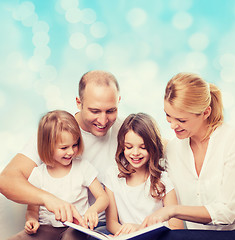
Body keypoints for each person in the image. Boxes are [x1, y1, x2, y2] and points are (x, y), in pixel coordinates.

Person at [141, 72, 235, 240]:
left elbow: (227, 212)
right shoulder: (173, 148)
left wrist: (172, 210)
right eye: (168, 115)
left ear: (205, 112)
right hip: (195, 235)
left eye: (181, 120)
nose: (173, 125)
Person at [0, 70, 122, 228]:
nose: (103, 120)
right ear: (79, 103)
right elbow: (6, 180)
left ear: (118, 101)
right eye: (95, 111)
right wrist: (48, 199)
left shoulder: (126, 130)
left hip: (97, 228)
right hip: (54, 226)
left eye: (111, 110)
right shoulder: (56, 131)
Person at [9, 110, 109, 240]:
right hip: (46, 228)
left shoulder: (83, 167)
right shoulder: (38, 174)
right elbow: (32, 210)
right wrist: (31, 220)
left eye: (75, 145)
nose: (71, 152)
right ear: (47, 147)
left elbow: (103, 197)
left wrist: (93, 210)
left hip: (77, 228)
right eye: (64, 148)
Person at [104, 113, 184, 237]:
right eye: (129, 147)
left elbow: (176, 227)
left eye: (143, 147)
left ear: (152, 147)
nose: (135, 153)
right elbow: (111, 222)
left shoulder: (163, 180)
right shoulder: (112, 175)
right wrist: (123, 235)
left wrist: (139, 230)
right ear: (122, 147)